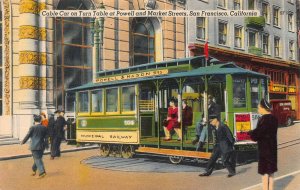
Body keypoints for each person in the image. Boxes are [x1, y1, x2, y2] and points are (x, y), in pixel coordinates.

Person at [249, 99, 278, 190]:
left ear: (263, 108)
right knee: (271, 172)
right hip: (272, 149)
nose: (258, 109)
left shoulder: (263, 119)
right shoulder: (274, 119)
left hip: (264, 150)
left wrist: (250, 133)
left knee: (264, 173)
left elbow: (257, 135)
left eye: (258, 107)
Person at [20, 114, 48, 178]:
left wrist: (23, 142)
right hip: (42, 145)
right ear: (41, 120)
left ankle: (42, 172)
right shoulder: (44, 127)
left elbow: (28, 135)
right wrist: (46, 145)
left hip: (34, 146)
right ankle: (33, 169)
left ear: (34, 121)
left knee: (37, 159)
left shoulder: (32, 127)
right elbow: (46, 137)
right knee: (38, 158)